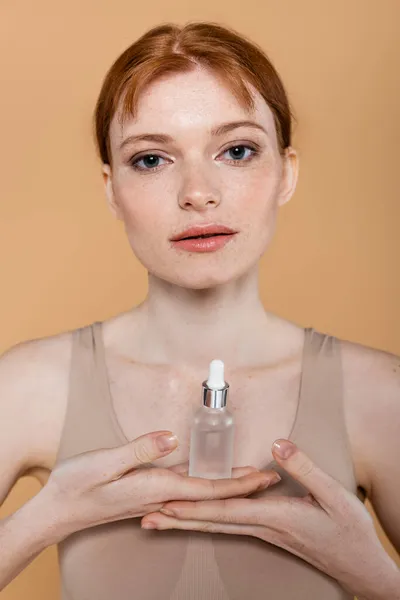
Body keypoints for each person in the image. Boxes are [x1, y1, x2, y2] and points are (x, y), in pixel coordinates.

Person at [0, 20, 399, 600]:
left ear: (286, 172)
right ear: (111, 189)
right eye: (151, 160)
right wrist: (46, 517)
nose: (197, 191)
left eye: (237, 151)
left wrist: (375, 574)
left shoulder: (379, 396)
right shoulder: (28, 387)